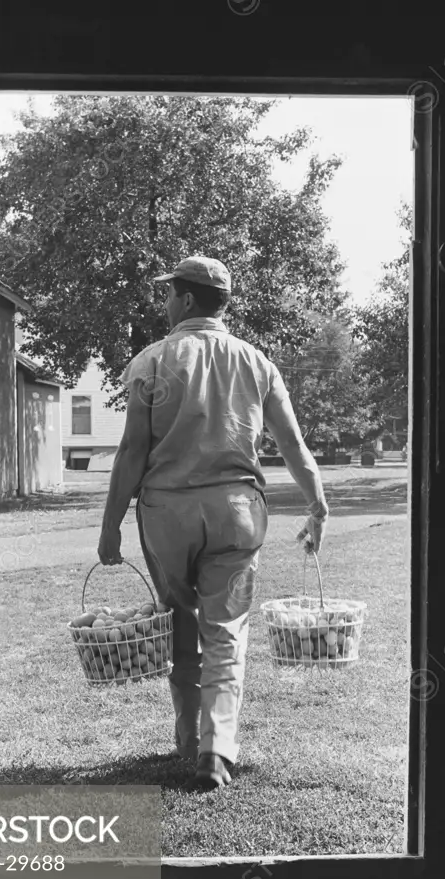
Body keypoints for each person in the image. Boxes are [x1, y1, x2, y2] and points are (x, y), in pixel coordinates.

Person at [97, 255, 329, 790]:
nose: (164, 303)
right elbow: (293, 444)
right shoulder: (257, 362)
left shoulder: (150, 361)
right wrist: (317, 505)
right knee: (225, 632)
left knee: (179, 619)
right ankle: (216, 748)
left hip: (166, 514)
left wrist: (110, 525)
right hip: (237, 512)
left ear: (183, 299)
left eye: (167, 294)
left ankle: (185, 736)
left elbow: (133, 448)